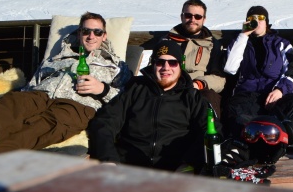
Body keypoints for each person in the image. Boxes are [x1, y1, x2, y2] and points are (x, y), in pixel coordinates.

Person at [0, 12, 131, 153]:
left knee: (40, 127)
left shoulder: (116, 66)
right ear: (79, 33)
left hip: (77, 105)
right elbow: (34, 83)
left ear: (104, 35)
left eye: (97, 32)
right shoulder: (57, 58)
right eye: (86, 31)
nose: (91, 36)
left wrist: (102, 89)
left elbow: (128, 99)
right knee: (14, 102)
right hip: (41, 95)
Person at [88, 39, 211, 171]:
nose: (166, 67)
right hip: (129, 167)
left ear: (180, 65)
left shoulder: (191, 97)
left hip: (174, 170)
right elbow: (105, 122)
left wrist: (190, 162)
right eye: (160, 62)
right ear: (153, 64)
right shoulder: (135, 90)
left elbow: (209, 130)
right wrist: (108, 159)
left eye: (173, 62)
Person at [223, 6, 293, 139]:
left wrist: (280, 90)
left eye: (260, 18)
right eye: (251, 18)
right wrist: (243, 35)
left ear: (266, 22)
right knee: (236, 112)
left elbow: (291, 72)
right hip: (248, 95)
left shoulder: (280, 44)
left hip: (275, 95)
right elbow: (230, 68)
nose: (256, 21)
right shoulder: (240, 42)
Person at [167, 0, 225, 115]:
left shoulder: (212, 44)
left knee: (209, 99)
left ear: (204, 19)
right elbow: (153, 68)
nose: (192, 20)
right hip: (169, 87)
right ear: (182, 16)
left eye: (197, 17)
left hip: (198, 89)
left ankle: (209, 132)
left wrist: (199, 84)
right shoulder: (168, 41)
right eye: (188, 15)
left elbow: (219, 79)